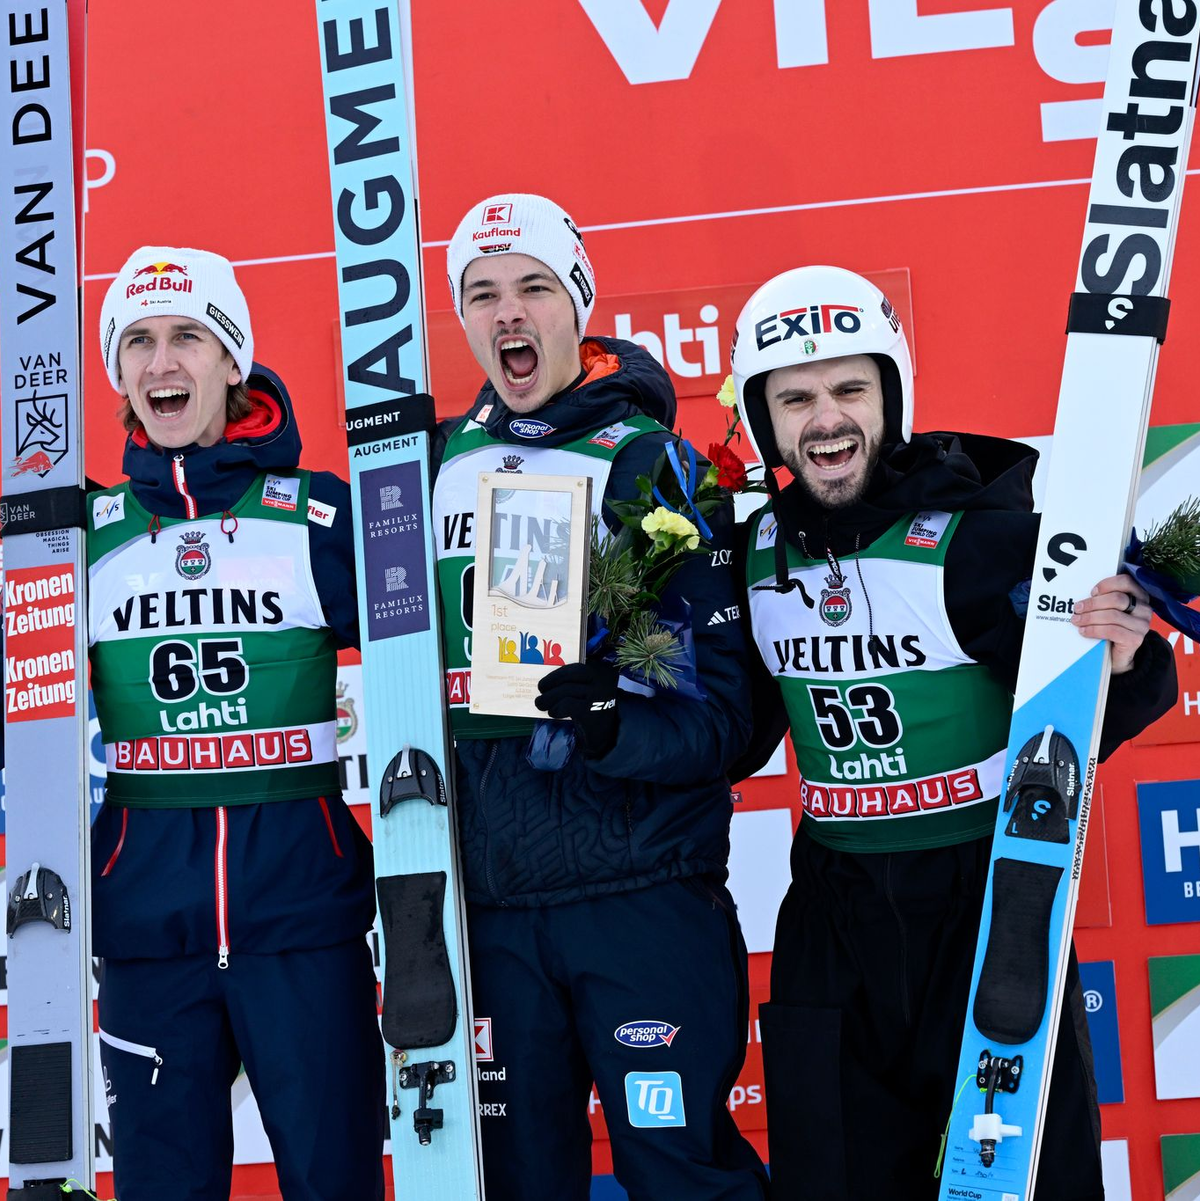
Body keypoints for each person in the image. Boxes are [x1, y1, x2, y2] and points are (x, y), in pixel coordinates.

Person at [727, 264, 1177, 1200]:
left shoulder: (978, 539)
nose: (827, 417)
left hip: (983, 900)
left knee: (1026, 1177)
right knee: (834, 1177)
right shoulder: (750, 557)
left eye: (851, 387)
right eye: (796, 395)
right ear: (764, 417)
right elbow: (730, 735)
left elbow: (1101, 697)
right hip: (834, 913)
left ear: (890, 396)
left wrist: (1125, 656)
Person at [433, 193, 769, 1200]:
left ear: (577, 303)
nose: (508, 314)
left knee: (680, 1174)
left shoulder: (651, 467)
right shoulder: (426, 465)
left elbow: (730, 717)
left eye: (534, 286)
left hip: (641, 897)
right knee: (518, 1183)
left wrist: (617, 721)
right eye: (482, 293)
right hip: (490, 914)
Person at [88, 247, 384, 1200]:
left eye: (188, 337)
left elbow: (441, 664)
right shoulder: (82, 539)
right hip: (145, 936)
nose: (162, 362)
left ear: (233, 361)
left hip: (304, 923)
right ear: (118, 372)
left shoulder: (316, 517)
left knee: (333, 1181)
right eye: (138, 341)